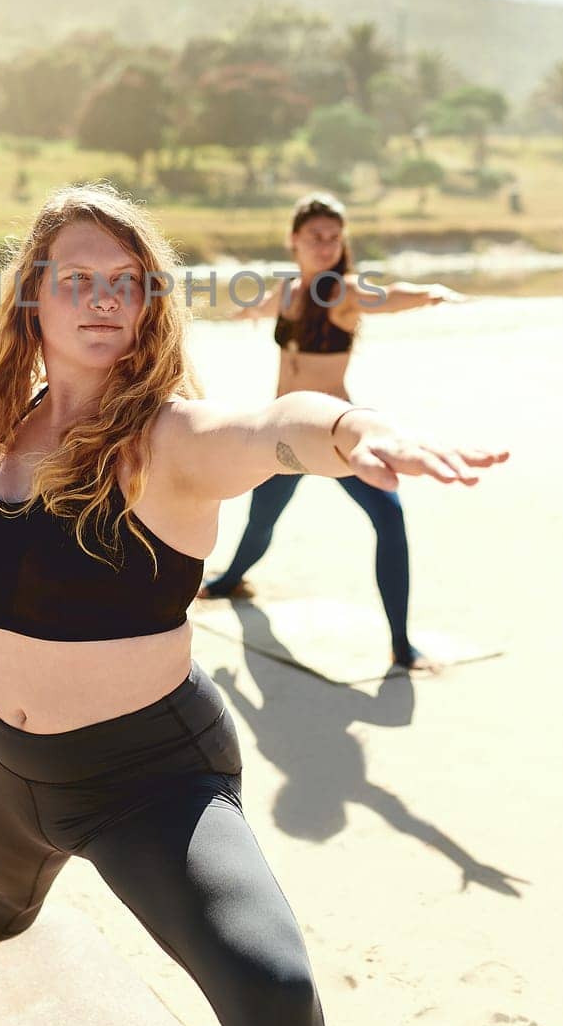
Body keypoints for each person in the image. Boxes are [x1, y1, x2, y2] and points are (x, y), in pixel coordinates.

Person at [0, 184, 506, 1026]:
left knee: (275, 994)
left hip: (145, 780)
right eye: (78, 278)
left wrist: (355, 429)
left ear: (148, 303)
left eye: (126, 280)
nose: (104, 298)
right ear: (32, 296)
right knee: (1, 896)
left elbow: (273, 429)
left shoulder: (170, 440)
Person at [199, 192, 468, 673]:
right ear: (294, 240)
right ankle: (231, 581)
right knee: (262, 519)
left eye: (333, 237)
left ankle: (402, 647)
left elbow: (386, 296)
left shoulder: (342, 291)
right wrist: (243, 312)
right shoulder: (288, 292)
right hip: (282, 433)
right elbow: (260, 304)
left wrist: (427, 292)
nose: (325, 245)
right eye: (315, 236)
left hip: (335, 434)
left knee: (388, 518)